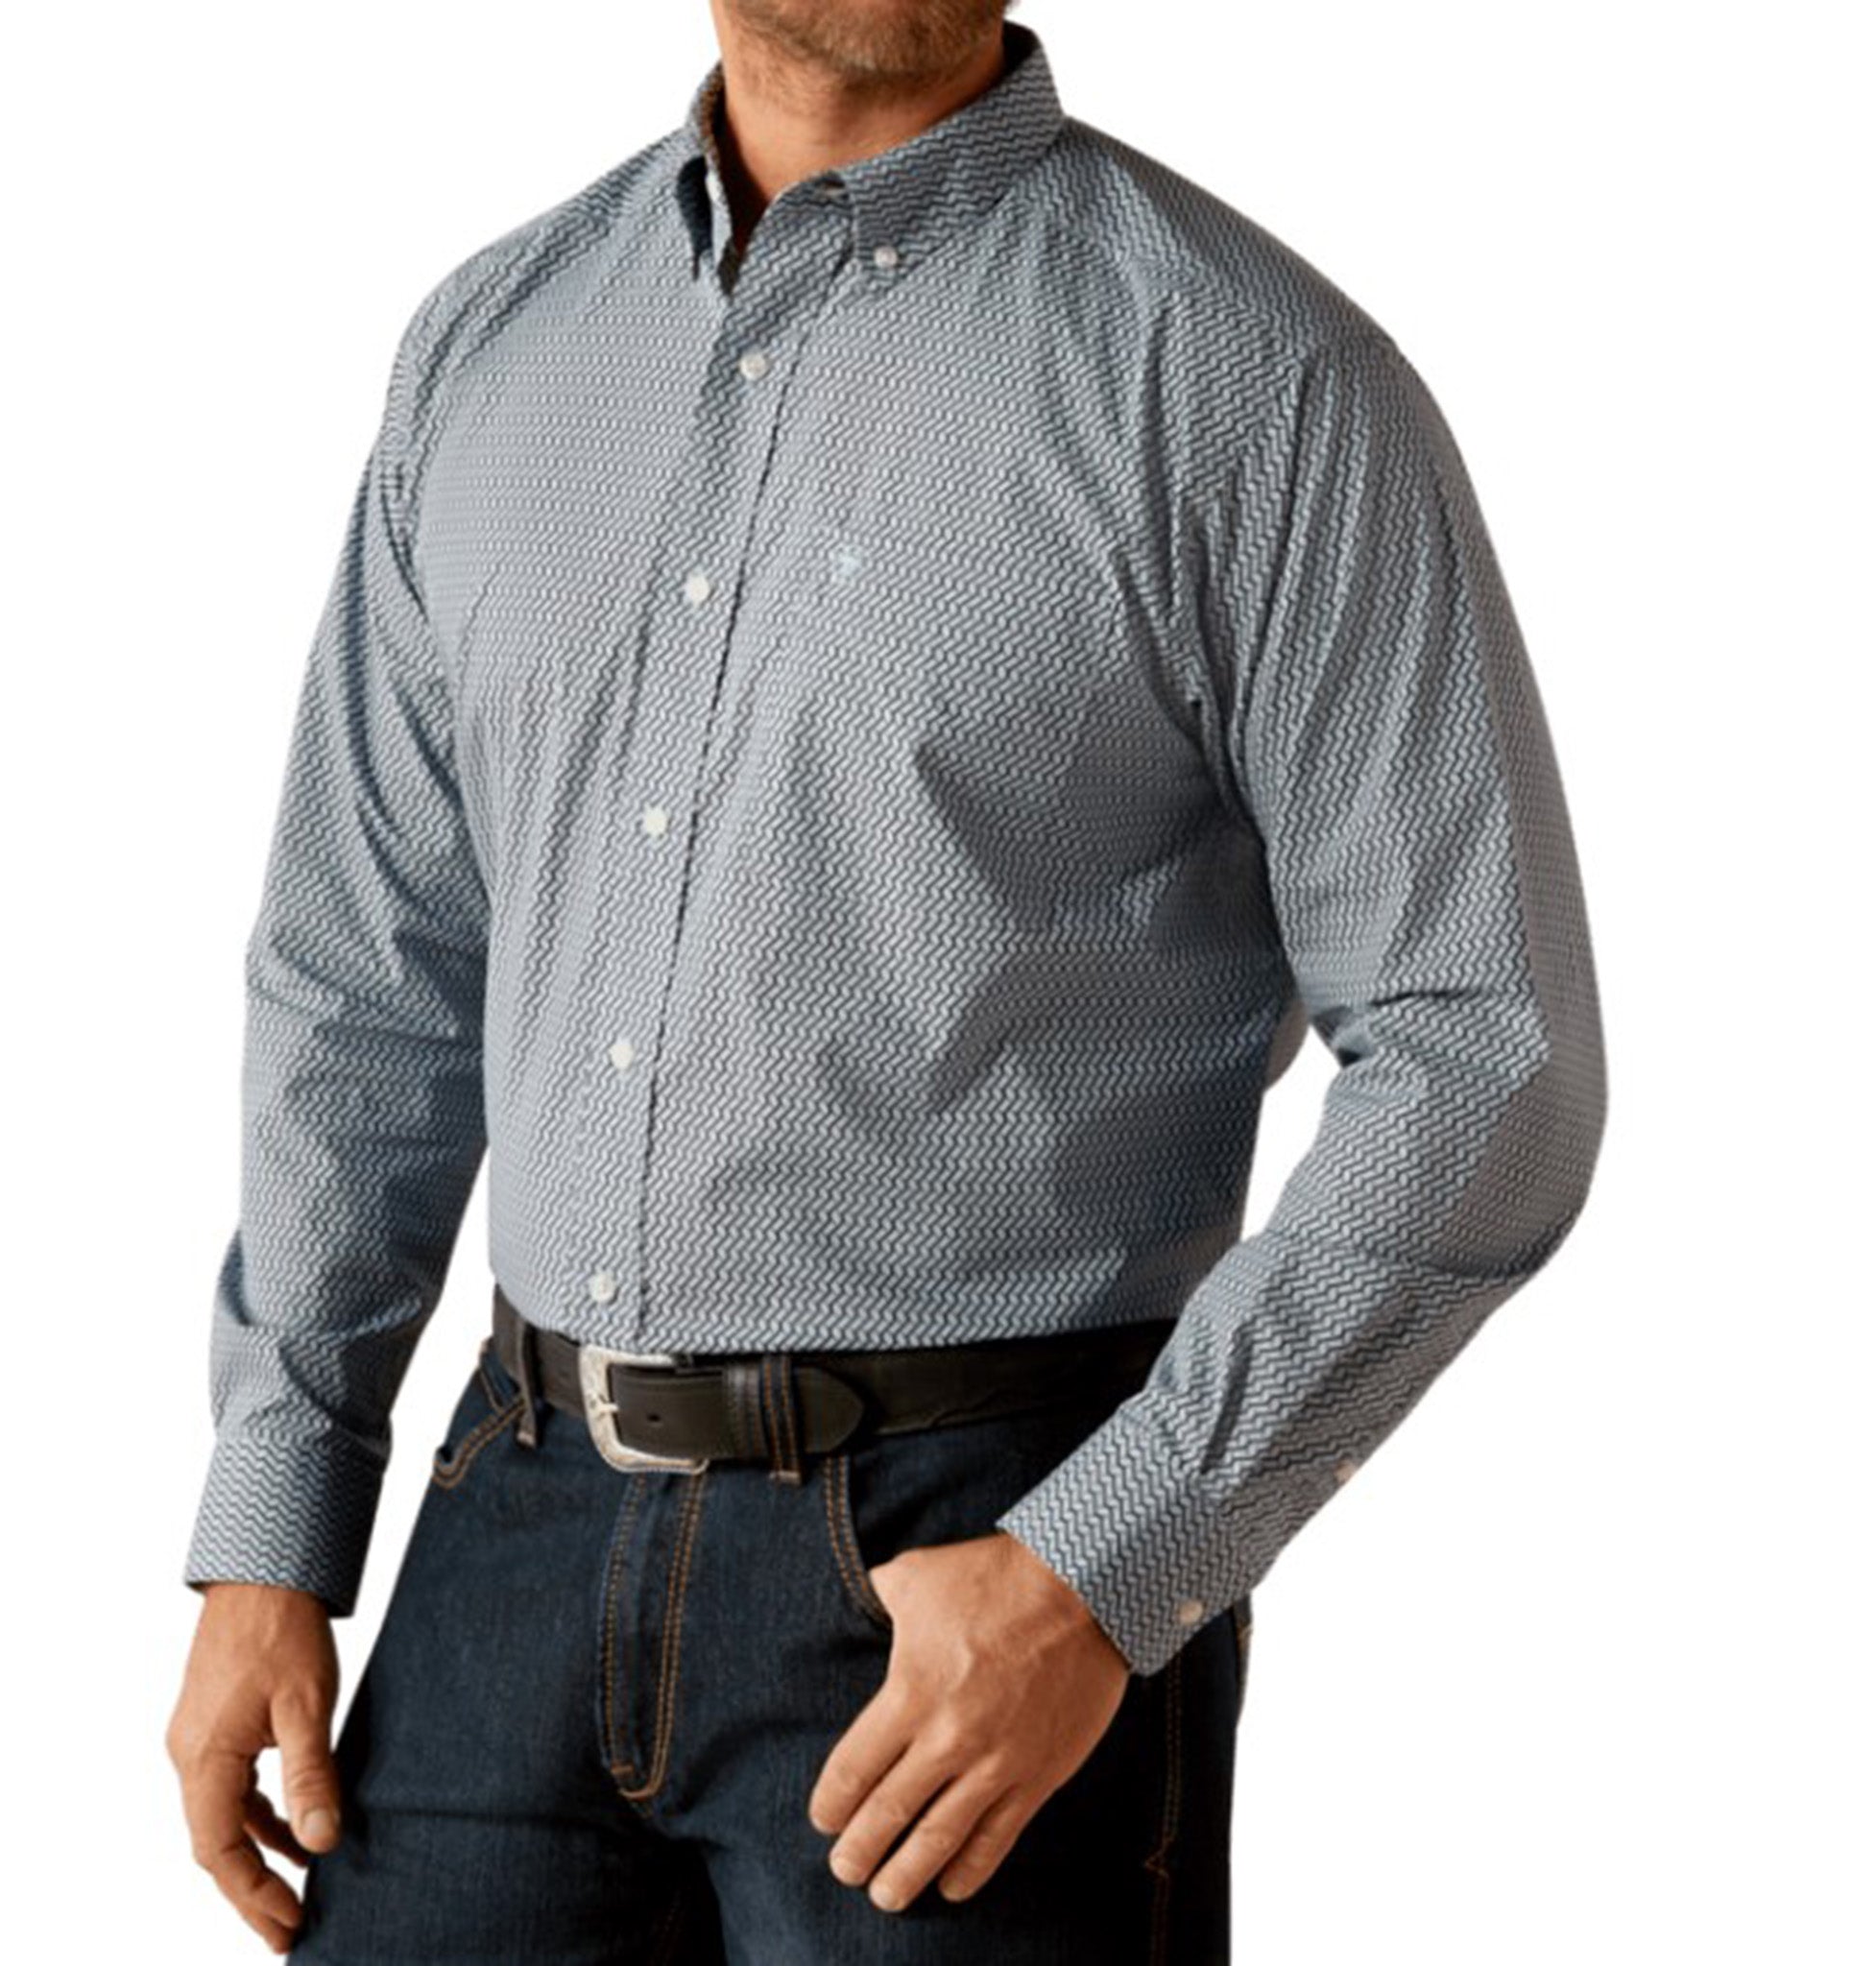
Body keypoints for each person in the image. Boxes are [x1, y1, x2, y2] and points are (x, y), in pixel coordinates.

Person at [164, 3, 1609, 1959]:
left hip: (984, 1554)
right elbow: (368, 970)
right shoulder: (495, 345)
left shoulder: (1250, 381)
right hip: (509, 1517)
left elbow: (1484, 1050)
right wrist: (273, 1523)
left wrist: (1099, 1570)